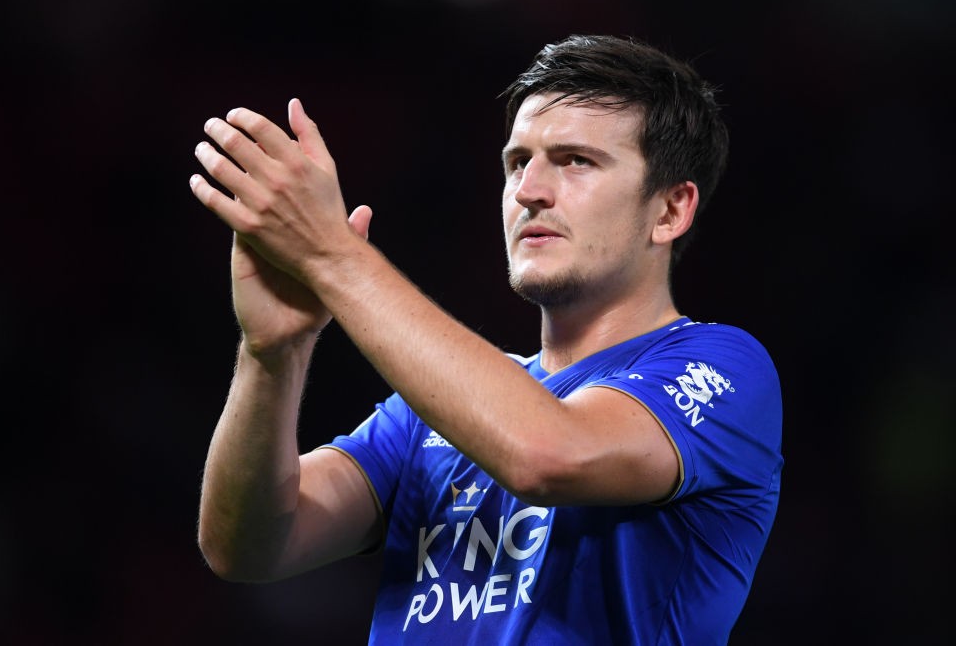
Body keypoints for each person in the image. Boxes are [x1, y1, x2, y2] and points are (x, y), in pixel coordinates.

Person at [191, 34, 783, 645]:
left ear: (670, 210)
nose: (529, 190)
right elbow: (249, 546)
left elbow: (546, 452)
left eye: (576, 160)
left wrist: (334, 259)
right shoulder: (426, 418)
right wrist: (271, 355)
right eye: (518, 162)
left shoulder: (727, 370)